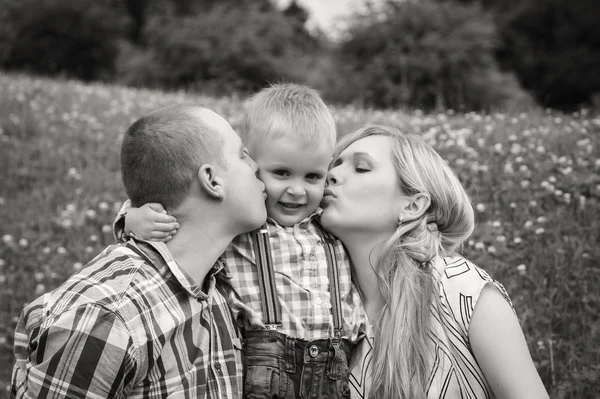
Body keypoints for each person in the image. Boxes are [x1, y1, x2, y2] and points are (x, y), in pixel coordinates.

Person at [116, 84, 368, 398]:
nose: (297, 191)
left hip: (334, 370)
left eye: (312, 177)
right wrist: (133, 217)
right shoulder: (243, 224)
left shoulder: (329, 224)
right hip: (263, 371)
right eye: (281, 173)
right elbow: (183, 212)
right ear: (249, 163)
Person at [10, 105, 267, 398]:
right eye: (242, 155)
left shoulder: (217, 287)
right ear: (212, 181)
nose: (257, 166)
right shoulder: (106, 319)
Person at [320, 125, 550, 398]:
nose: (331, 175)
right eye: (333, 165)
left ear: (412, 206)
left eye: (361, 168)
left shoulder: (463, 291)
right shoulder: (322, 304)